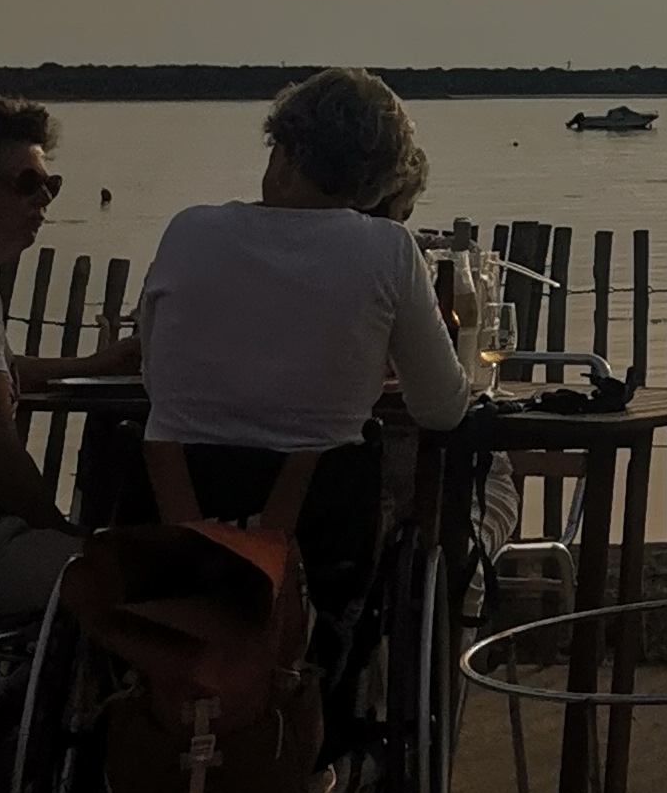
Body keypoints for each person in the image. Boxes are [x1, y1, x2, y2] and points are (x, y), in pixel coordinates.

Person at [124, 69, 479, 631]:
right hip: (316, 557)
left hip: (171, 548)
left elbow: (156, 373)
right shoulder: (387, 251)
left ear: (285, 153)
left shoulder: (187, 231)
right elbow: (442, 409)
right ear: (378, 183)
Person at [0, 94, 132, 629]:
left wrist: (98, 364)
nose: (44, 199)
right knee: (142, 579)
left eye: (50, 185)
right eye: (26, 183)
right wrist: (61, 530)